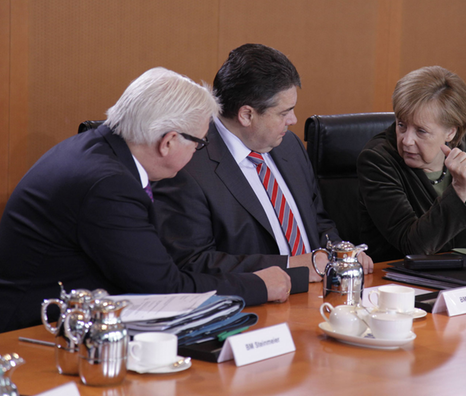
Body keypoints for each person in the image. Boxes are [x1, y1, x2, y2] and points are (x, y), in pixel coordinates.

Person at [0, 67, 291, 341]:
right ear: (169, 141)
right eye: (200, 143)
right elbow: (164, 288)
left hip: (67, 328)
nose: (199, 153)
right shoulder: (108, 185)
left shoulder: (97, 150)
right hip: (21, 341)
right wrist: (258, 285)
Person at [153, 44, 373, 283]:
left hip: (322, 295)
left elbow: (319, 222)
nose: (293, 120)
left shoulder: (290, 145)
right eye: (284, 112)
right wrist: (291, 266)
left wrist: (341, 251)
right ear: (246, 115)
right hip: (257, 306)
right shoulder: (188, 167)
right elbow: (192, 261)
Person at [357, 66, 466, 262]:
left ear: (451, 132)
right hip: (400, 280)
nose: (406, 140)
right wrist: (458, 192)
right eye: (401, 125)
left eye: (421, 131)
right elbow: (412, 245)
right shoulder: (378, 159)